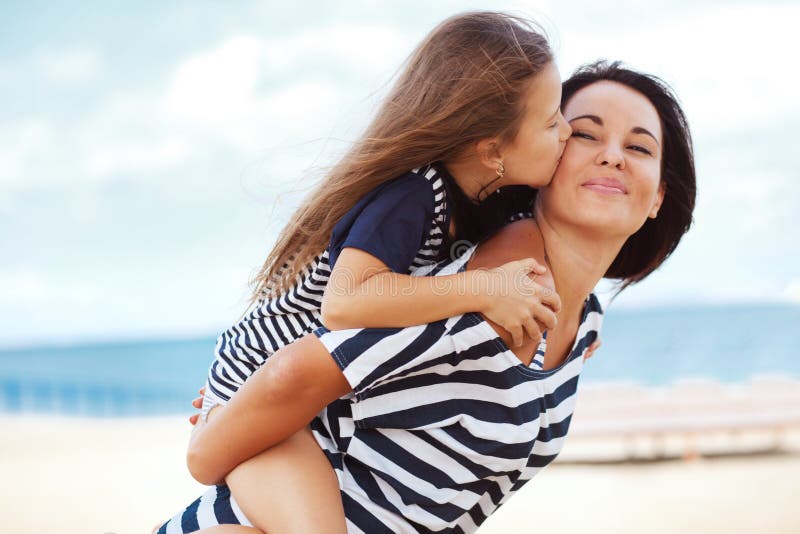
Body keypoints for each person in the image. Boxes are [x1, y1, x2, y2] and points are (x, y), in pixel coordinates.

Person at [154, 60, 696, 533]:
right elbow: (300, 368)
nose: (613, 156)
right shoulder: (490, 291)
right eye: (582, 133)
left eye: (639, 146)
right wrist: (213, 439)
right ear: (545, 156)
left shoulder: (581, 323)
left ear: (658, 198)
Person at [198, 10, 570, 430]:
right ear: (491, 152)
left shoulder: (493, 198)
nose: (567, 131)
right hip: (258, 372)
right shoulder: (413, 194)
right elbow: (344, 302)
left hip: (306, 384)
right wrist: (484, 288)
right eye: (551, 120)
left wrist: (571, 333)